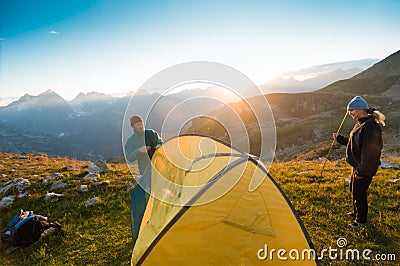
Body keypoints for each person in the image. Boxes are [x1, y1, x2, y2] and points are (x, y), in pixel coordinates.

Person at [333, 96, 384, 229]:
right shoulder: (362, 122)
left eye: (351, 110)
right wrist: (339, 139)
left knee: (359, 193)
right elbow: (354, 143)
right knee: (354, 190)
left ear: (360, 109)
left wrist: (362, 170)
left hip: (364, 167)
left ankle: (361, 221)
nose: (349, 113)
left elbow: (371, 151)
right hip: (358, 165)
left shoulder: (370, 126)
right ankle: (356, 212)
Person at [125, 115, 163, 242]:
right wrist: (139, 150)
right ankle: (148, 219)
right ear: (133, 127)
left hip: (159, 168)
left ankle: (160, 216)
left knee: (160, 192)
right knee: (148, 194)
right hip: (146, 171)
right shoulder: (131, 141)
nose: (140, 126)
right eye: (137, 124)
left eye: (141, 123)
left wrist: (158, 146)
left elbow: (160, 141)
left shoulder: (151, 133)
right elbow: (129, 156)